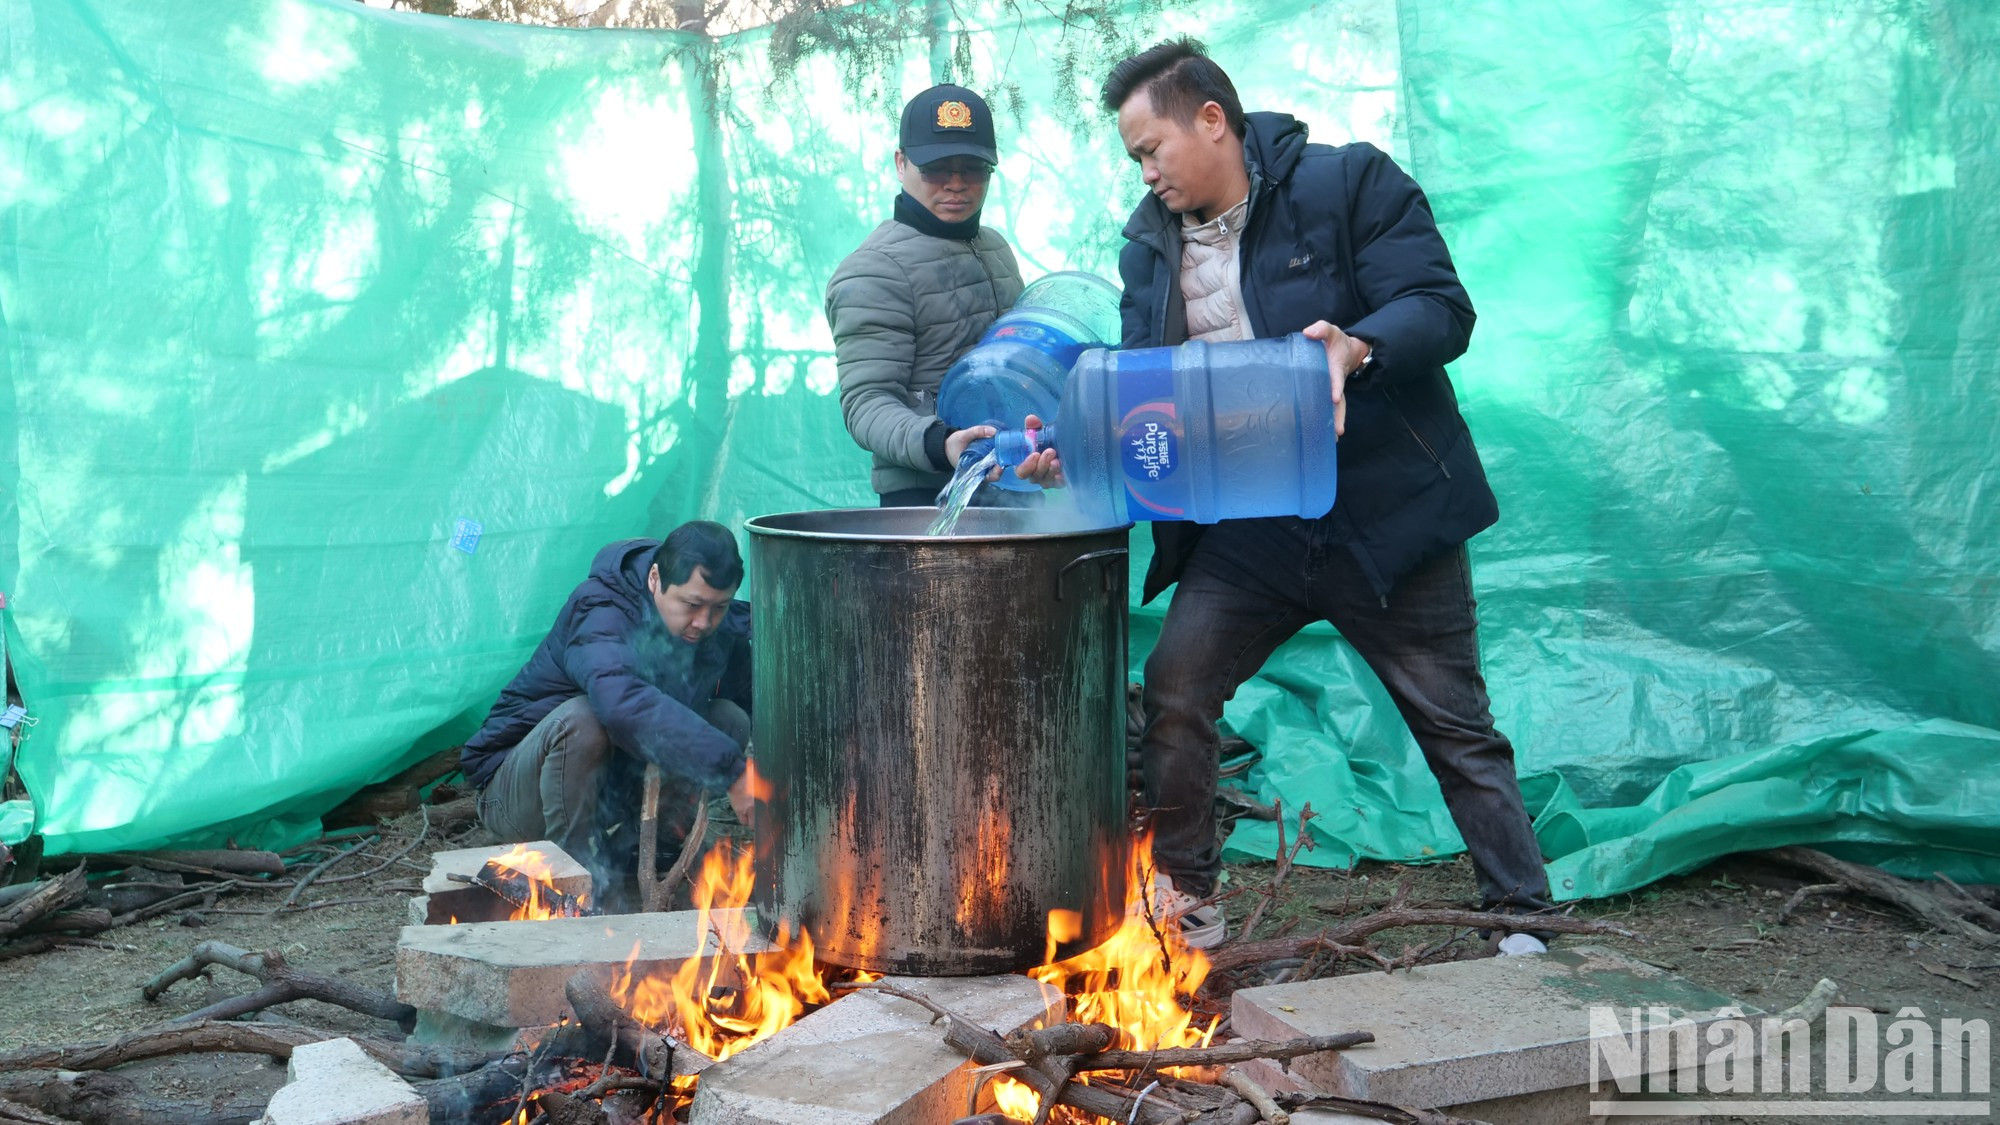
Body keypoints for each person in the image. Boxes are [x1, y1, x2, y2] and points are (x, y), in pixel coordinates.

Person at [1058, 39, 1554, 951]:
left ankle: (1521, 913)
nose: (1146, 171)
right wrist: (1083, 443)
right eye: (1133, 157)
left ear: (1212, 119)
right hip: (1252, 529)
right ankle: (1188, 901)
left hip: (1383, 513)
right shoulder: (1148, 247)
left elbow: (1440, 306)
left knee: (1453, 720)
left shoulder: (1347, 184)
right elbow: (1142, 386)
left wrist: (1352, 346)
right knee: (1176, 683)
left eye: (1151, 147)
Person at [459, 521, 755, 902]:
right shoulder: (601, 609)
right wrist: (732, 770)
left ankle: (650, 854)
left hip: (607, 796)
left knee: (727, 718)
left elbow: (757, 703)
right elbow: (621, 705)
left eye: (719, 607)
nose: (703, 621)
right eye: (691, 604)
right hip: (515, 791)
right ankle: (574, 878)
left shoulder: (717, 630)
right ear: (654, 579)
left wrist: (782, 786)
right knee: (584, 719)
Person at [825, 83, 1027, 507]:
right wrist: (943, 444)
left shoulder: (996, 248)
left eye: (972, 167)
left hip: (1011, 480)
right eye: (936, 168)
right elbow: (867, 403)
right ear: (901, 163)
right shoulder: (873, 269)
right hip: (926, 498)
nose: (956, 184)